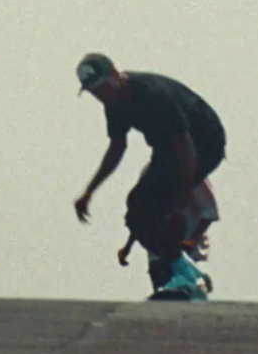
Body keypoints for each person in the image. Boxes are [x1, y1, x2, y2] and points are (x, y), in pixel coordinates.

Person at [73, 52, 226, 299]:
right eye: (94, 93)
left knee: (156, 209)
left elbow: (187, 152)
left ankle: (188, 277)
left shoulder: (152, 96)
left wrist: (180, 203)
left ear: (115, 76)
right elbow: (117, 148)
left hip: (204, 144)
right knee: (136, 212)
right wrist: (90, 191)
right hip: (168, 149)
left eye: (102, 89)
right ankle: (188, 272)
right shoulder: (114, 106)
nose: (101, 97)